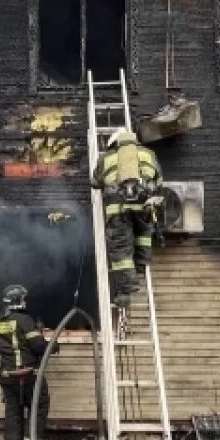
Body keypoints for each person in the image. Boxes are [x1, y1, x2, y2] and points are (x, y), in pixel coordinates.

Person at [91, 128, 163, 308]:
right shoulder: (149, 153)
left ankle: (125, 292)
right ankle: (140, 266)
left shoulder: (106, 158)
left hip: (119, 211)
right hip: (144, 208)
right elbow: (159, 181)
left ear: (114, 143)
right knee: (143, 238)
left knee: (121, 250)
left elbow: (94, 182)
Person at [0, 284, 50, 440]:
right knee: (38, 407)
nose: (25, 301)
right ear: (17, 301)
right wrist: (52, 346)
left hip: (7, 377)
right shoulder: (23, 320)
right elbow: (38, 346)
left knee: (13, 411)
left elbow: (1, 347)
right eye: (23, 298)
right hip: (26, 375)